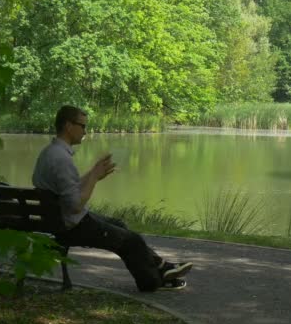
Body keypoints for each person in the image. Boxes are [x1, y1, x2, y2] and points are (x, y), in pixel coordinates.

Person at [32, 105, 192, 291]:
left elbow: (68, 190)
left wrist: (93, 171)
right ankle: (153, 282)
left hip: (59, 221)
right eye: (82, 126)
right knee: (133, 241)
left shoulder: (49, 153)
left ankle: (163, 267)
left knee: (119, 225)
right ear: (68, 126)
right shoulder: (62, 159)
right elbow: (76, 205)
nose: (85, 130)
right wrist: (94, 178)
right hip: (72, 226)